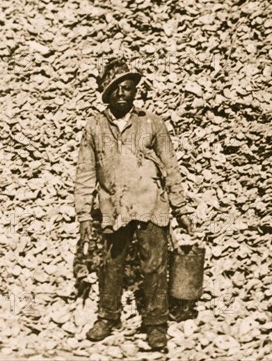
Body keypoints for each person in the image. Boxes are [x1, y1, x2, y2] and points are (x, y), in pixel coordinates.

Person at [75, 58, 194, 351]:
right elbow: (85, 173)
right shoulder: (94, 127)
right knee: (110, 263)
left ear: (135, 91)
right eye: (115, 88)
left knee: (154, 265)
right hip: (113, 208)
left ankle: (156, 325)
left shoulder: (153, 123)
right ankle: (108, 317)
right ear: (106, 92)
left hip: (151, 204)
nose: (121, 93)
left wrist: (181, 209)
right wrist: (84, 218)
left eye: (127, 88)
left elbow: (170, 167)